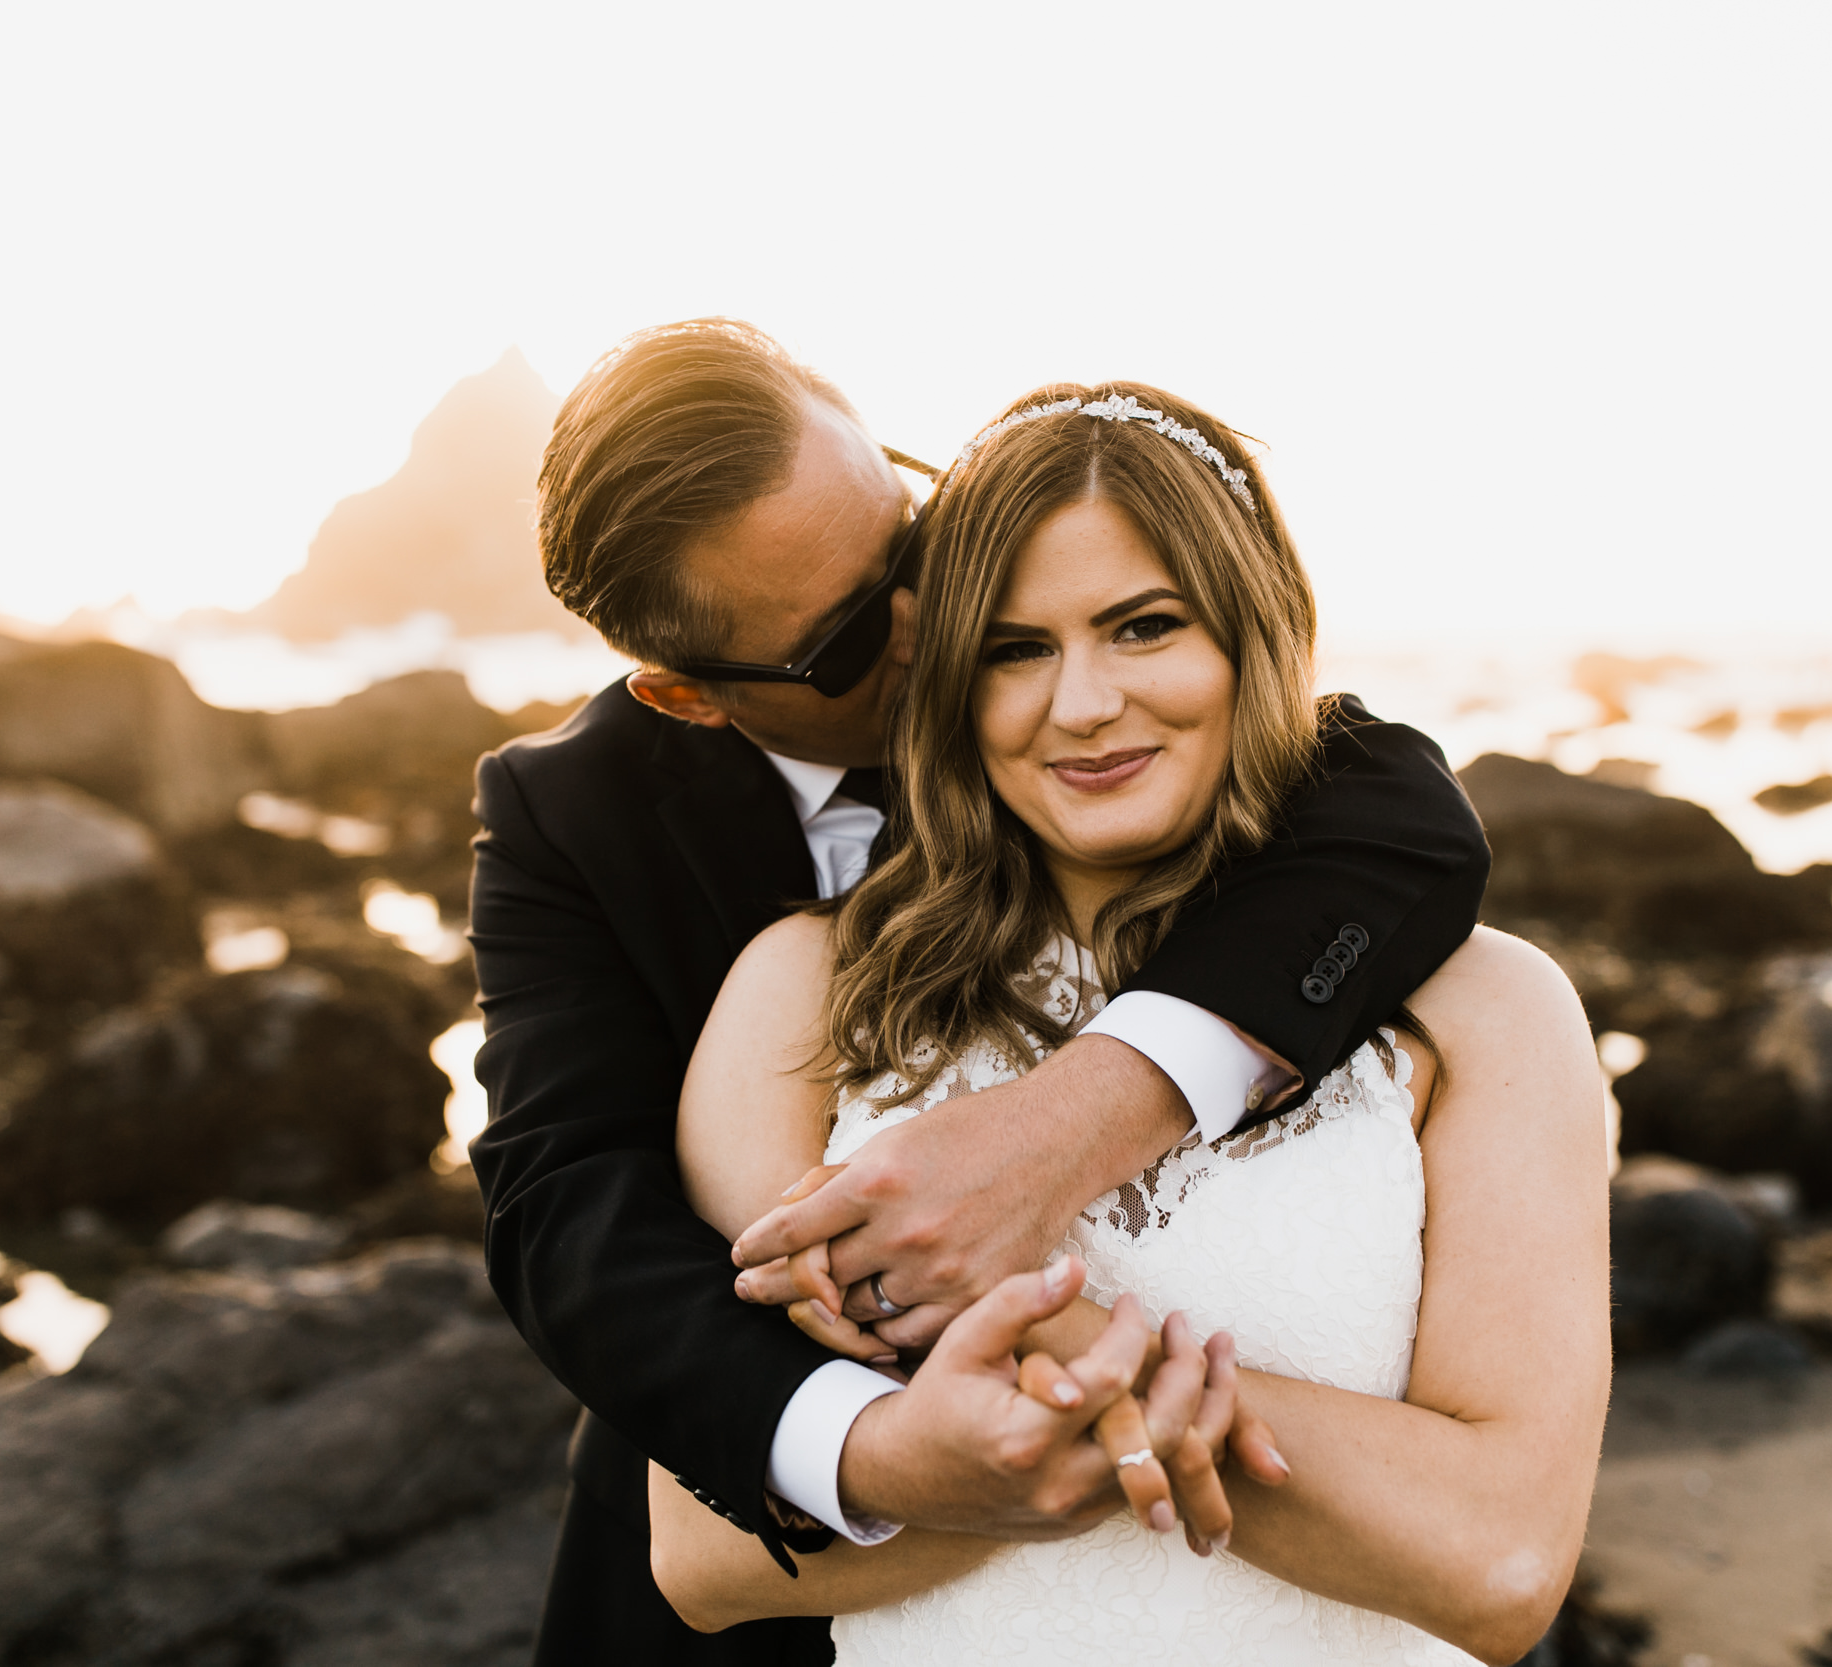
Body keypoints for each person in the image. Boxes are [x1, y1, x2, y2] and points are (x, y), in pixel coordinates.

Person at [467, 322, 1493, 1665]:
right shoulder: (570, 818)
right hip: (752, 1556)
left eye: (909, 541)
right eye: (843, 641)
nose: (923, 619)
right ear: (688, 694)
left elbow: (1406, 819)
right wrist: (867, 1450)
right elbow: (565, 1206)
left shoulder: (1101, 703)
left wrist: (1080, 1114)